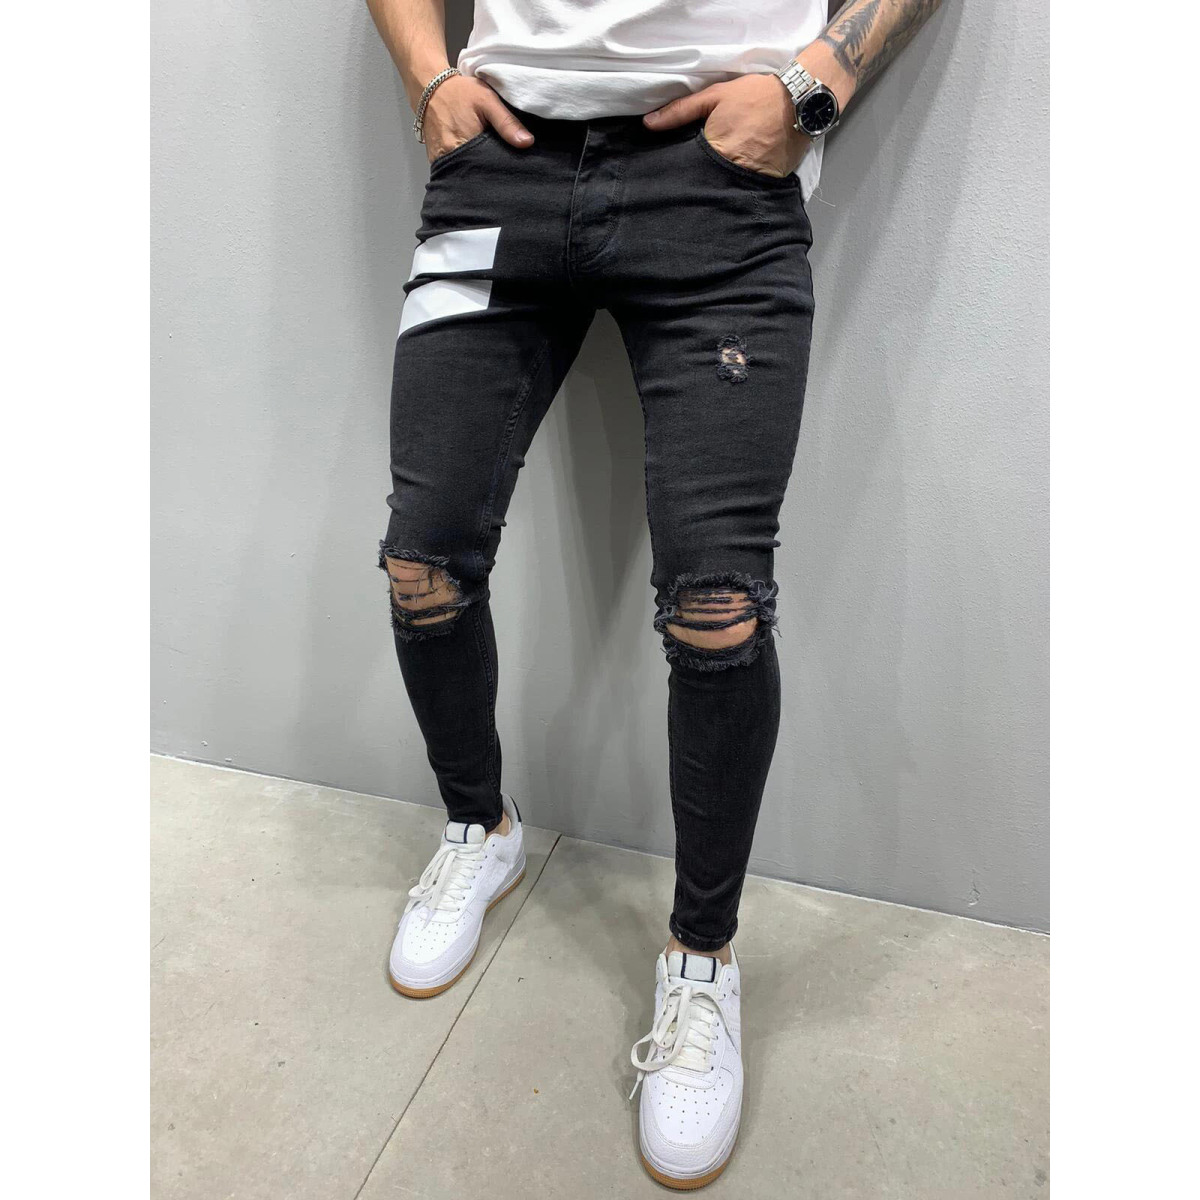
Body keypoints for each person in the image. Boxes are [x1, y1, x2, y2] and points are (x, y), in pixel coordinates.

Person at [365, 0, 944, 1187]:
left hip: (719, 184)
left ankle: (703, 957)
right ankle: (480, 830)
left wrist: (816, 83)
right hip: (498, 170)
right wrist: (428, 80)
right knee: (423, 563)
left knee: (717, 610)